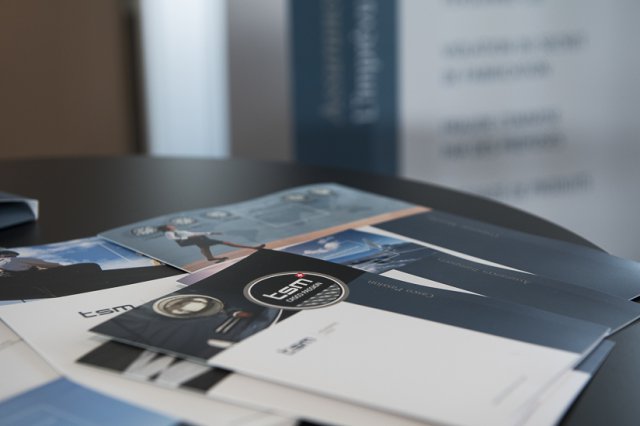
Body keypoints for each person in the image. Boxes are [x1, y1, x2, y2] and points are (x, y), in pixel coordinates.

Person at [159, 225, 265, 262]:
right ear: (167, 228)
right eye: (170, 226)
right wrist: (189, 237)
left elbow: (194, 234)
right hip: (188, 241)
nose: (172, 226)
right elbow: (173, 238)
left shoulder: (179, 230)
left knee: (205, 247)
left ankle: (210, 258)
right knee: (226, 242)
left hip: (197, 239)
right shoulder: (168, 233)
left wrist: (210, 233)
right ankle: (254, 248)